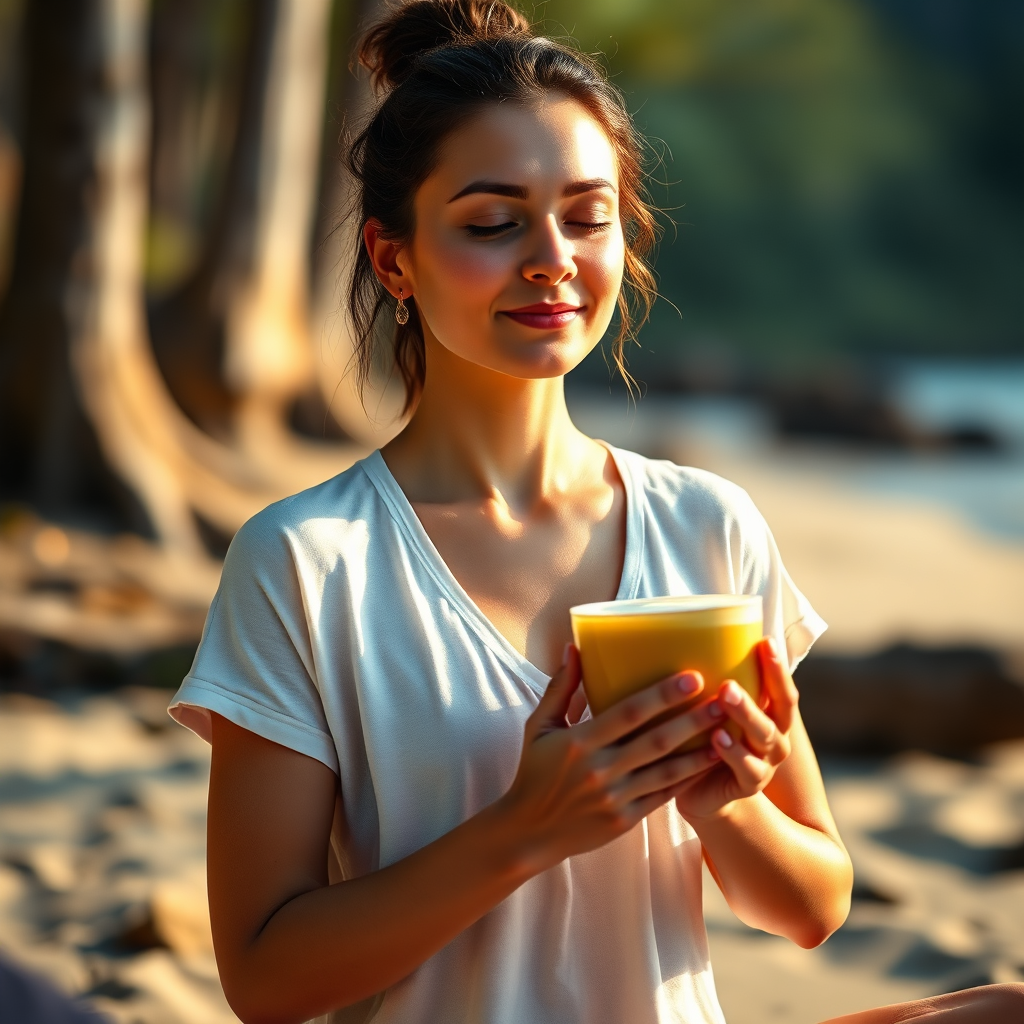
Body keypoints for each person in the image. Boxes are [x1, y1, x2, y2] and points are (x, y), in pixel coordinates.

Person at [165, 2, 1015, 1022]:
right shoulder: (308, 561)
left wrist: (727, 807)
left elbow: (811, 906)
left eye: (586, 214)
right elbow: (265, 978)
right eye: (491, 222)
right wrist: (526, 827)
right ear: (395, 260)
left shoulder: (706, 524)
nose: (551, 258)